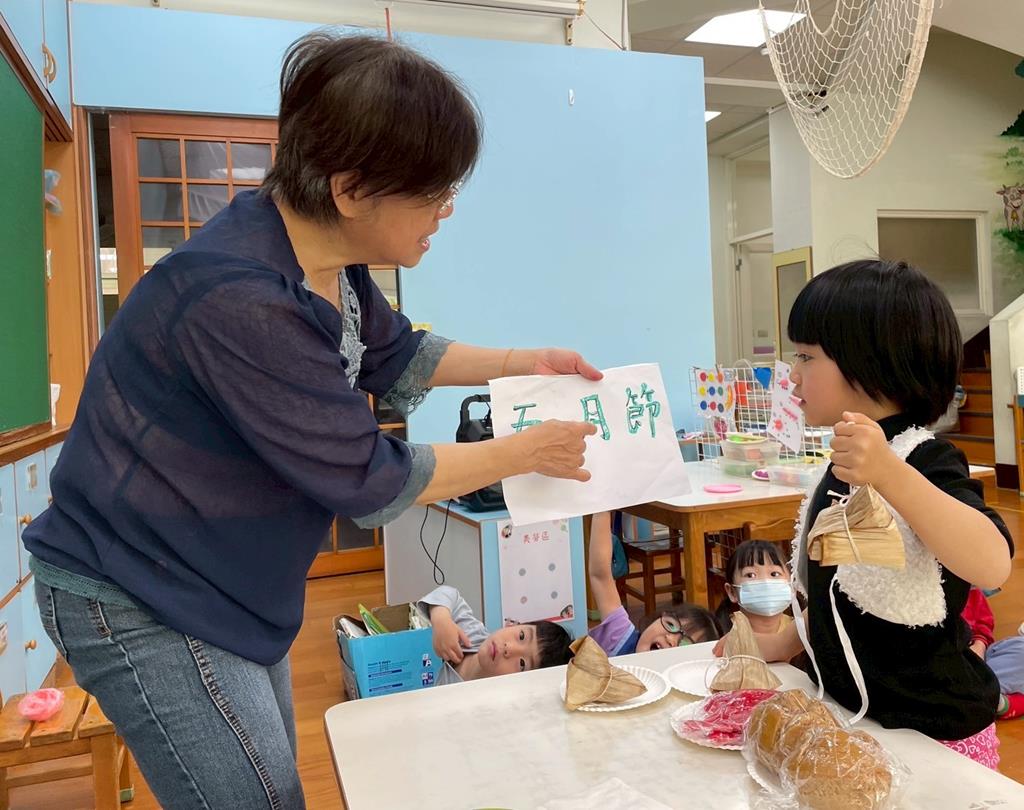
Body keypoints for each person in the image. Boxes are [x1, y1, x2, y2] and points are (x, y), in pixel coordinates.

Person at [23, 32, 600, 809]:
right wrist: (526, 450)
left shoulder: (324, 258)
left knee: (268, 785)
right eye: (432, 191)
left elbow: (397, 351)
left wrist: (524, 363)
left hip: (220, 577)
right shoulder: (244, 299)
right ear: (351, 189)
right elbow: (369, 480)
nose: (446, 210)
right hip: (137, 587)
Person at [716, 260, 1013, 769]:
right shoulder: (838, 466)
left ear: (869, 362)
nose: (792, 375)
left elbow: (992, 564)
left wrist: (890, 474)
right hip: (855, 724)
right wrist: (781, 642)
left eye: (806, 356)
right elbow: (837, 596)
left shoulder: (923, 458)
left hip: (933, 734)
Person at [586, 512, 718, 656]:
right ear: (658, 618)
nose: (670, 639)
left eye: (684, 643)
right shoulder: (621, 640)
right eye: (671, 624)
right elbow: (601, 576)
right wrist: (603, 509)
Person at [418, 585, 572, 685]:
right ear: (515, 624)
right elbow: (448, 593)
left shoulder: (474, 705)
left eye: (522, 664)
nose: (509, 648)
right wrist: (442, 618)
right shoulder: (474, 637)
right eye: (522, 636)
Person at [962, 588, 1024, 720]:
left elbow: (983, 625)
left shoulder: (971, 590)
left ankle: (994, 700)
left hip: (982, 662)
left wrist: (979, 645)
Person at [714, 540, 793, 636]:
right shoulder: (720, 636)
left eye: (774, 574)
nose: (765, 581)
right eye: (750, 575)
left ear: (792, 584)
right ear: (732, 592)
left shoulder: (801, 631)